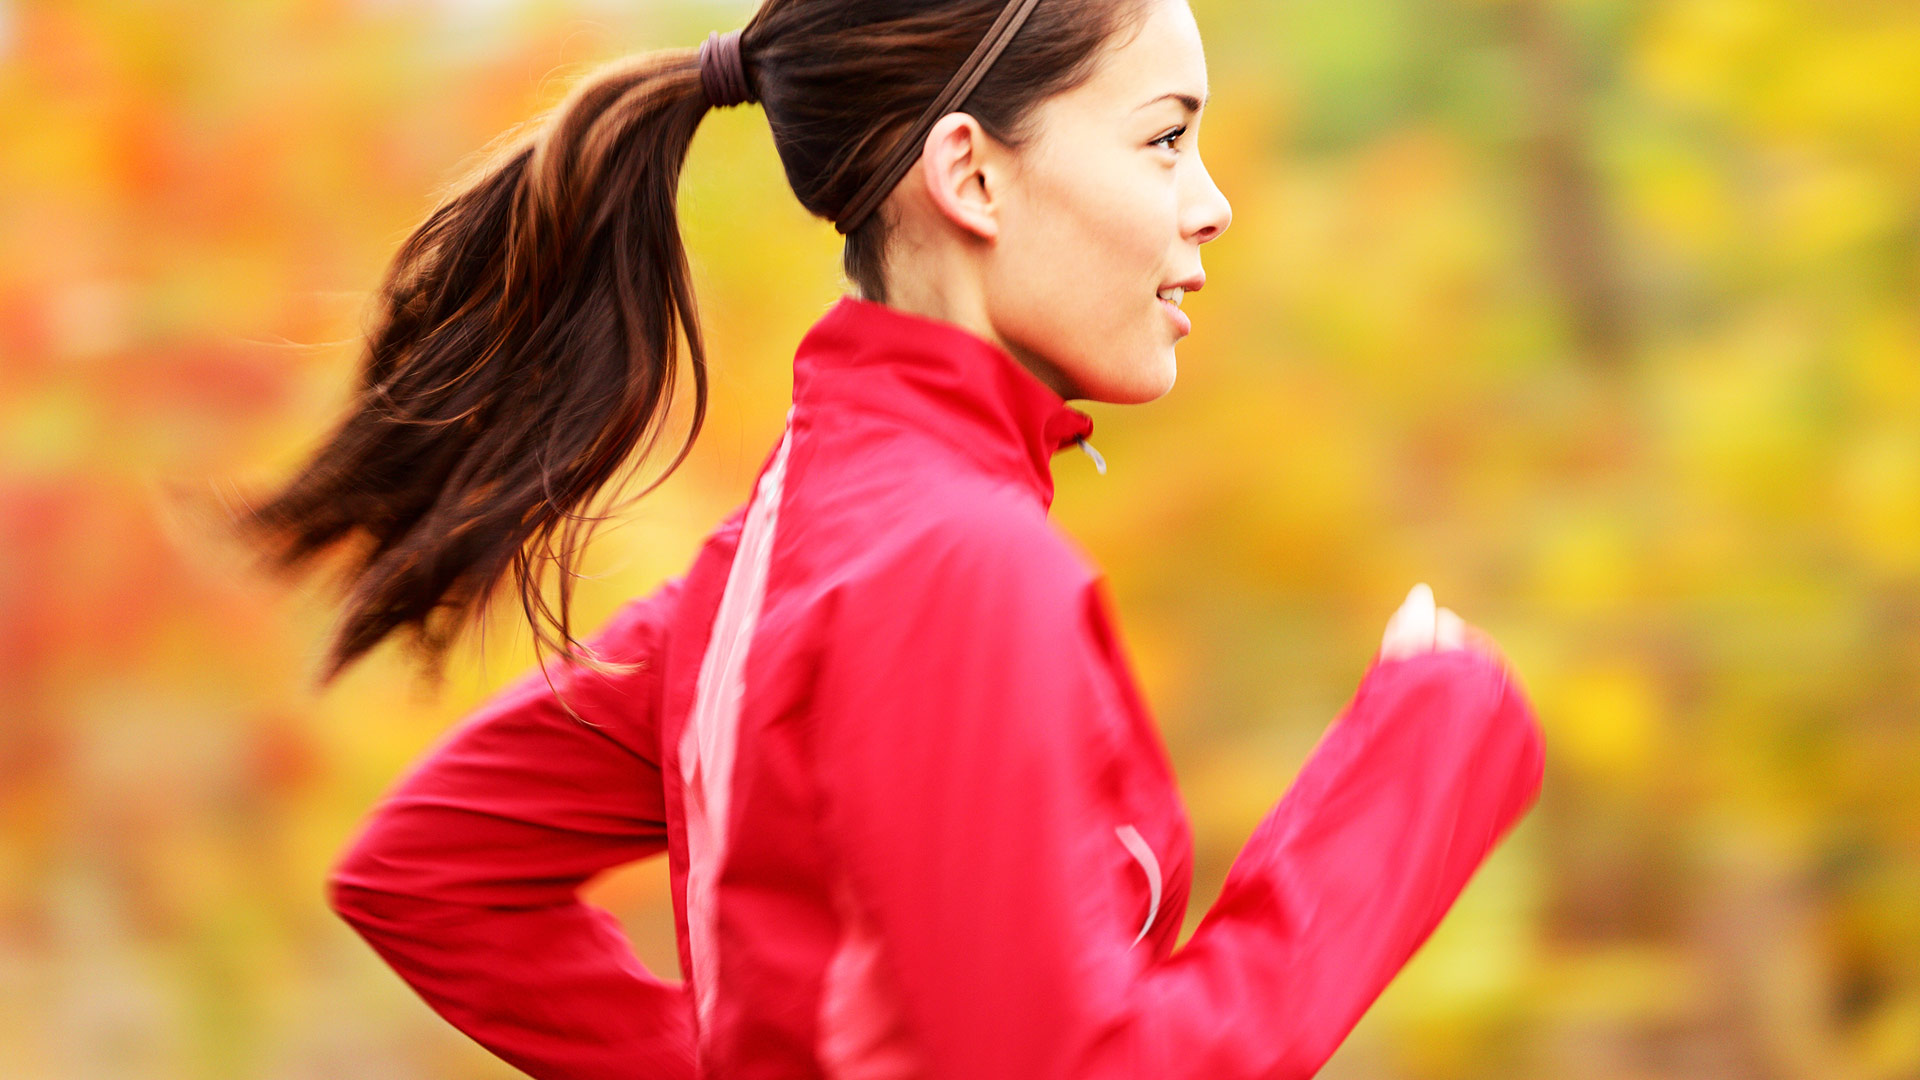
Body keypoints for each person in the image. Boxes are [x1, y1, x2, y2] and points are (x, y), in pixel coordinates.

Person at [240, 0, 1546, 1076]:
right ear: (970, 174)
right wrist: (1424, 758)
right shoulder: (956, 567)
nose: (1209, 204)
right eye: (1164, 141)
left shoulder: (790, 544)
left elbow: (432, 872)